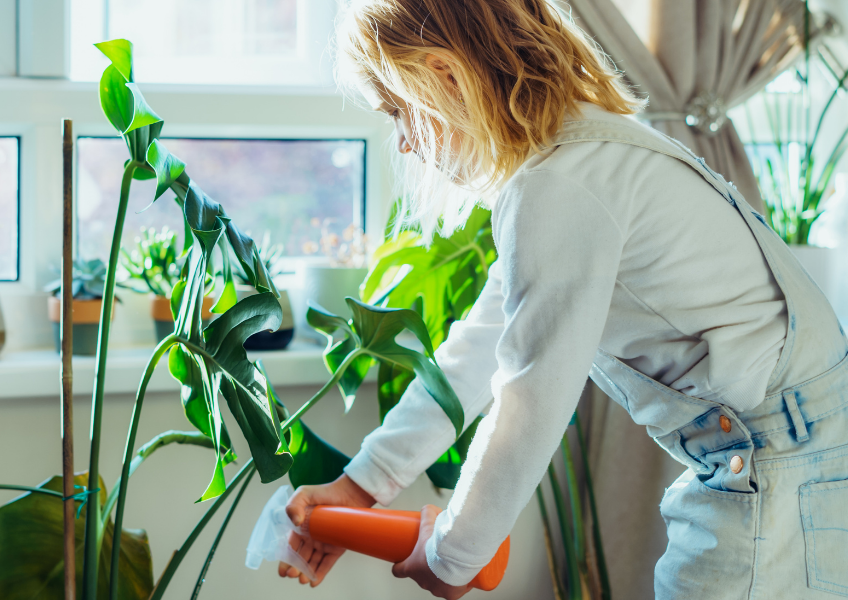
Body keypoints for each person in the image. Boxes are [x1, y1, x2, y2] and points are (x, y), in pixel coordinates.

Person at [279, 1, 848, 598]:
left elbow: (530, 395)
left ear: (445, 76)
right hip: (787, 455)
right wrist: (361, 485)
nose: (400, 143)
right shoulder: (576, 157)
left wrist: (453, 557)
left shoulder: (561, 183)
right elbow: (480, 349)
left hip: (777, 467)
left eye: (398, 110)